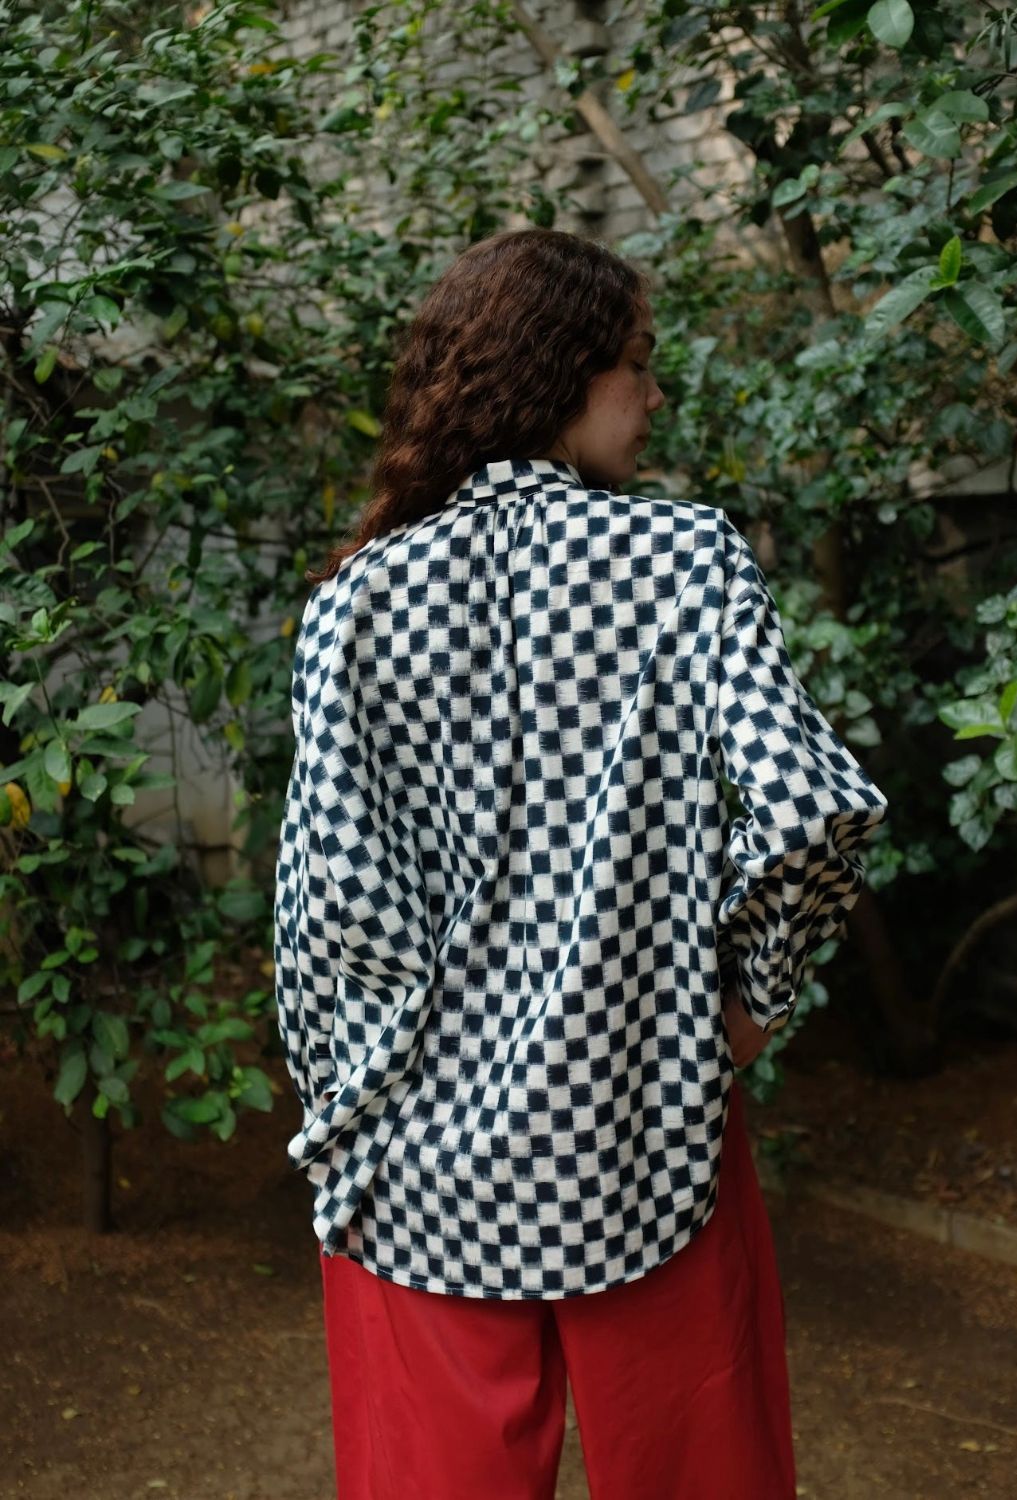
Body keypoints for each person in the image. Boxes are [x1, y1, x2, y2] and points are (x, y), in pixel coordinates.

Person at [273, 227, 888, 1500]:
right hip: (647, 1135)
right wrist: (750, 1000)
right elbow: (811, 805)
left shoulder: (358, 600)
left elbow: (327, 905)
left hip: (421, 1165)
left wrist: (348, 1110)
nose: (655, 396)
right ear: (558, 369)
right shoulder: (683, 559)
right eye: (638, 364)